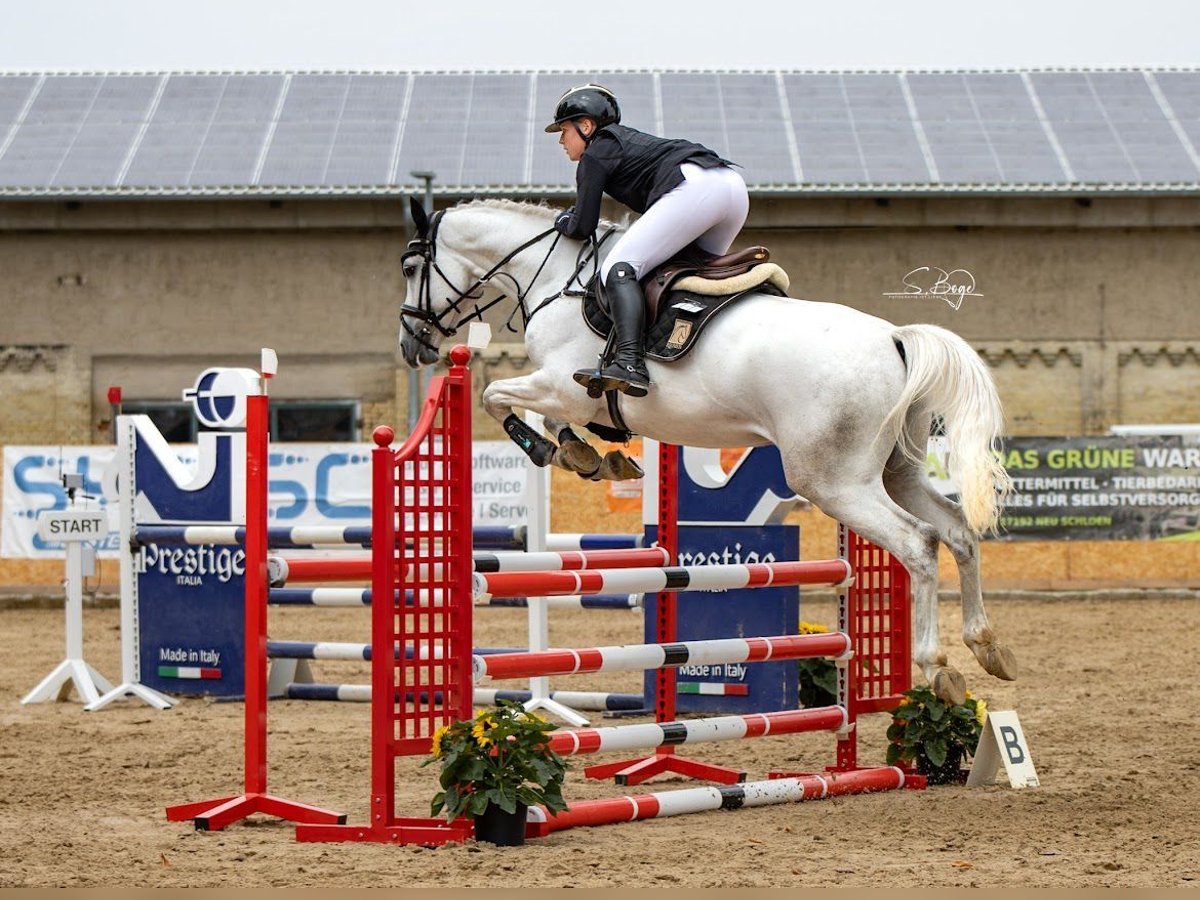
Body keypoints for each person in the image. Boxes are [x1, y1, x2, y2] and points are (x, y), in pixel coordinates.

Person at [547, 83, 749, 398]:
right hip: (732, 188)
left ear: (585, 126)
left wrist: (561, 220)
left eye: (564, 131)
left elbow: (582, 225)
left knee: (619, 269)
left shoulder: (596, 152)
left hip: (697, 189)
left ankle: (629, 363)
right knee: (682, 279)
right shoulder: (621, 144)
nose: (561, 140)